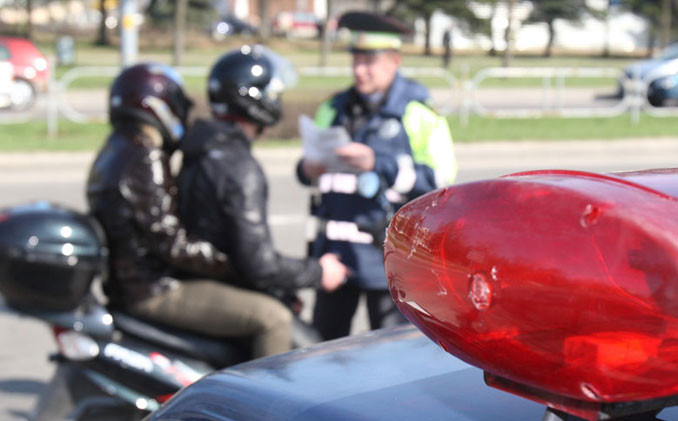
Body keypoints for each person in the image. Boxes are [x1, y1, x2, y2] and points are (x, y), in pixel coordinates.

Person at [87, 63, 304, 359]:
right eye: (176, 103)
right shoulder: (144, 157)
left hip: (130, 284)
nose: (184, 113)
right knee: (273, 319)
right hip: (153, 289)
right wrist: (236, 268)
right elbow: (172, 243)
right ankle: (262, 391)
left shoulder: (116, 151)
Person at [297, 11, 458, 340]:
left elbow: (441, 181)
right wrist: (306, 169)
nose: (359, 70)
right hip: (334, 256)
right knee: (323, 349)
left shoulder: (418, 114)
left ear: (394, 61)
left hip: (388, 258)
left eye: (369, 62)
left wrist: (378, 163)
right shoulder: (333, 108)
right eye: (356, 60)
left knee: (390, 353)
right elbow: (307, 169)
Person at [177, 45, 348, 338]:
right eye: (272, 94)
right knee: (294, 336)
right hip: (222, 285)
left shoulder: (201, 146)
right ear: (253, 99)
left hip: (212, 278)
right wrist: (319, 272)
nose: (276, 100)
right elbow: (260, 264)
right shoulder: (240, 167)